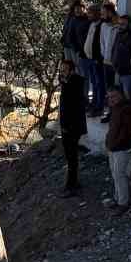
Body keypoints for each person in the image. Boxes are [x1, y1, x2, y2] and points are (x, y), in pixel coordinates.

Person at [57, 56, 87, 197]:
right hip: (68, 126)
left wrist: (67, 127)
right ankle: (72, 183)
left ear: (71, 70)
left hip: (72, 127)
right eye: (61, 70)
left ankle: (72, 186)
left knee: (71, 157)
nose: (62, 73)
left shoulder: (74, 84)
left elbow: (73, 107)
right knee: (70, 156)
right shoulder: (67, 82)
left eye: (64, 70)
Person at [103, 87, 131, 210]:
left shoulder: (127, 109)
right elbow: (112, 128)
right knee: (115, 174)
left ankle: (123, 202)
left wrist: (115, 143)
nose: (111, 99)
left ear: (121, 95)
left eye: (114, 96)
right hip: (113, 147)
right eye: (109, 97)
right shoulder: (115, 108)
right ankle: (118, 198)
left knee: (119, 175)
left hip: (122, 148)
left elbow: (128, 131)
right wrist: (108, 142)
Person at [111, 14, 131, 127]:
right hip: (118, 71)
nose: (120, 26)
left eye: (123, 24)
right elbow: (114, 49)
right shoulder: (119, 35)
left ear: (129, 24)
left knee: (130, 98)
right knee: (119, 98)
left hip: (128, 73)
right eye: (119, 23)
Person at [81, 3, 109, 116]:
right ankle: (93, 105)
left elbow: (101, 44)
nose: (88, 15)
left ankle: (98, 107)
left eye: (90, 13)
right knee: (94, 83)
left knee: (99, 84)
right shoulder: (92, 24)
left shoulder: (102, 25)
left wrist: (98, 58)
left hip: (97, 60)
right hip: (90, 58)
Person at [61, 0, 92, 101]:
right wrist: (77, 50)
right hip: (76, 51)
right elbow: (71, 36)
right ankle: (76, 94)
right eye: (76, 9)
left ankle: (84, 97)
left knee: (84, 76)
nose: (78, 11)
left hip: (87, 53)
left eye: (80, 8)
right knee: (75, 73)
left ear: (84, 8)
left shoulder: (89, 21)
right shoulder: (74, 20)